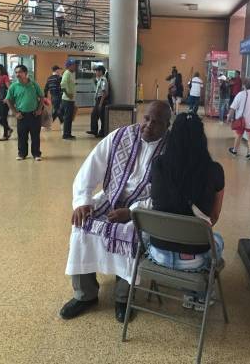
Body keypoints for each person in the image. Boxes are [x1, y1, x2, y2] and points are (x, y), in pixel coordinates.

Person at [61, 101, 172, 323]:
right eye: (146, 119)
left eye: (157, 122)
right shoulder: (120, 137)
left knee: (131, 234)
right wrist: (82, 201)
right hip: (110, 198)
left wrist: (132, 212)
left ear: (167, 125)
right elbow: (90, 168)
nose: (148, 125)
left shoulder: (172, 150)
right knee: (82, 224)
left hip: (143, 209)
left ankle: (123, 298)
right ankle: (85, 295)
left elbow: (167, 195)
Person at [148, 112, 225, 310]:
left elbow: (154, 197)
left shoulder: (158, 165)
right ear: (202, 139)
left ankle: (188, 289)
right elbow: (212, 219)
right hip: (193, 260)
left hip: (158, 254)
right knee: (217, 241)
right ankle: (197, 294)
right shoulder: (214, 171)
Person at [4, 65, 45, 161]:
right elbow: (8, 99)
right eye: (16, 72)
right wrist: (15, 112)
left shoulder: (34, 85)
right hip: (21, 115)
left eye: (20, 72)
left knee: (35, 136)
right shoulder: (14, 86)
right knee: (22, 136)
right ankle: (22, 154)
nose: (17, 74)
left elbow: (42, 97)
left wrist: (39, 109)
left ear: (26, 73)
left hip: (34, 115)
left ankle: (36, 154)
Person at [228, 78, 250, 160]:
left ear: (244, 85)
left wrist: (229, 117)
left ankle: (234, 150)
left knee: (239, 135)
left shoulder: (241, 94)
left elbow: (233, 108)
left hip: (241, 120)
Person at [87, 65, 108, 138]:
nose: (96, 72)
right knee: (94, 115)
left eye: (97, 71)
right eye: (96, 71)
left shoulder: (103, 80)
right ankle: (94, 130)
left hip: (101, 100)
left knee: (102, 117)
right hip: (98, 100)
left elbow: (104, 92)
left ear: (101, 72)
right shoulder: (99, 79)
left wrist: (101, 103)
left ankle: (102, 132)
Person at [61, 58, 76, 140]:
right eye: (73, 65)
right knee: (67, 117)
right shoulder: (67, 73)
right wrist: (68, 94)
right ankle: (66, 134)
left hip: (71, 99)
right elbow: (62, 85)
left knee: (69, 117)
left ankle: (68, 133)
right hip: (67, 99)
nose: (75, 66)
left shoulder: (71, 73)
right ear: (69, 66)